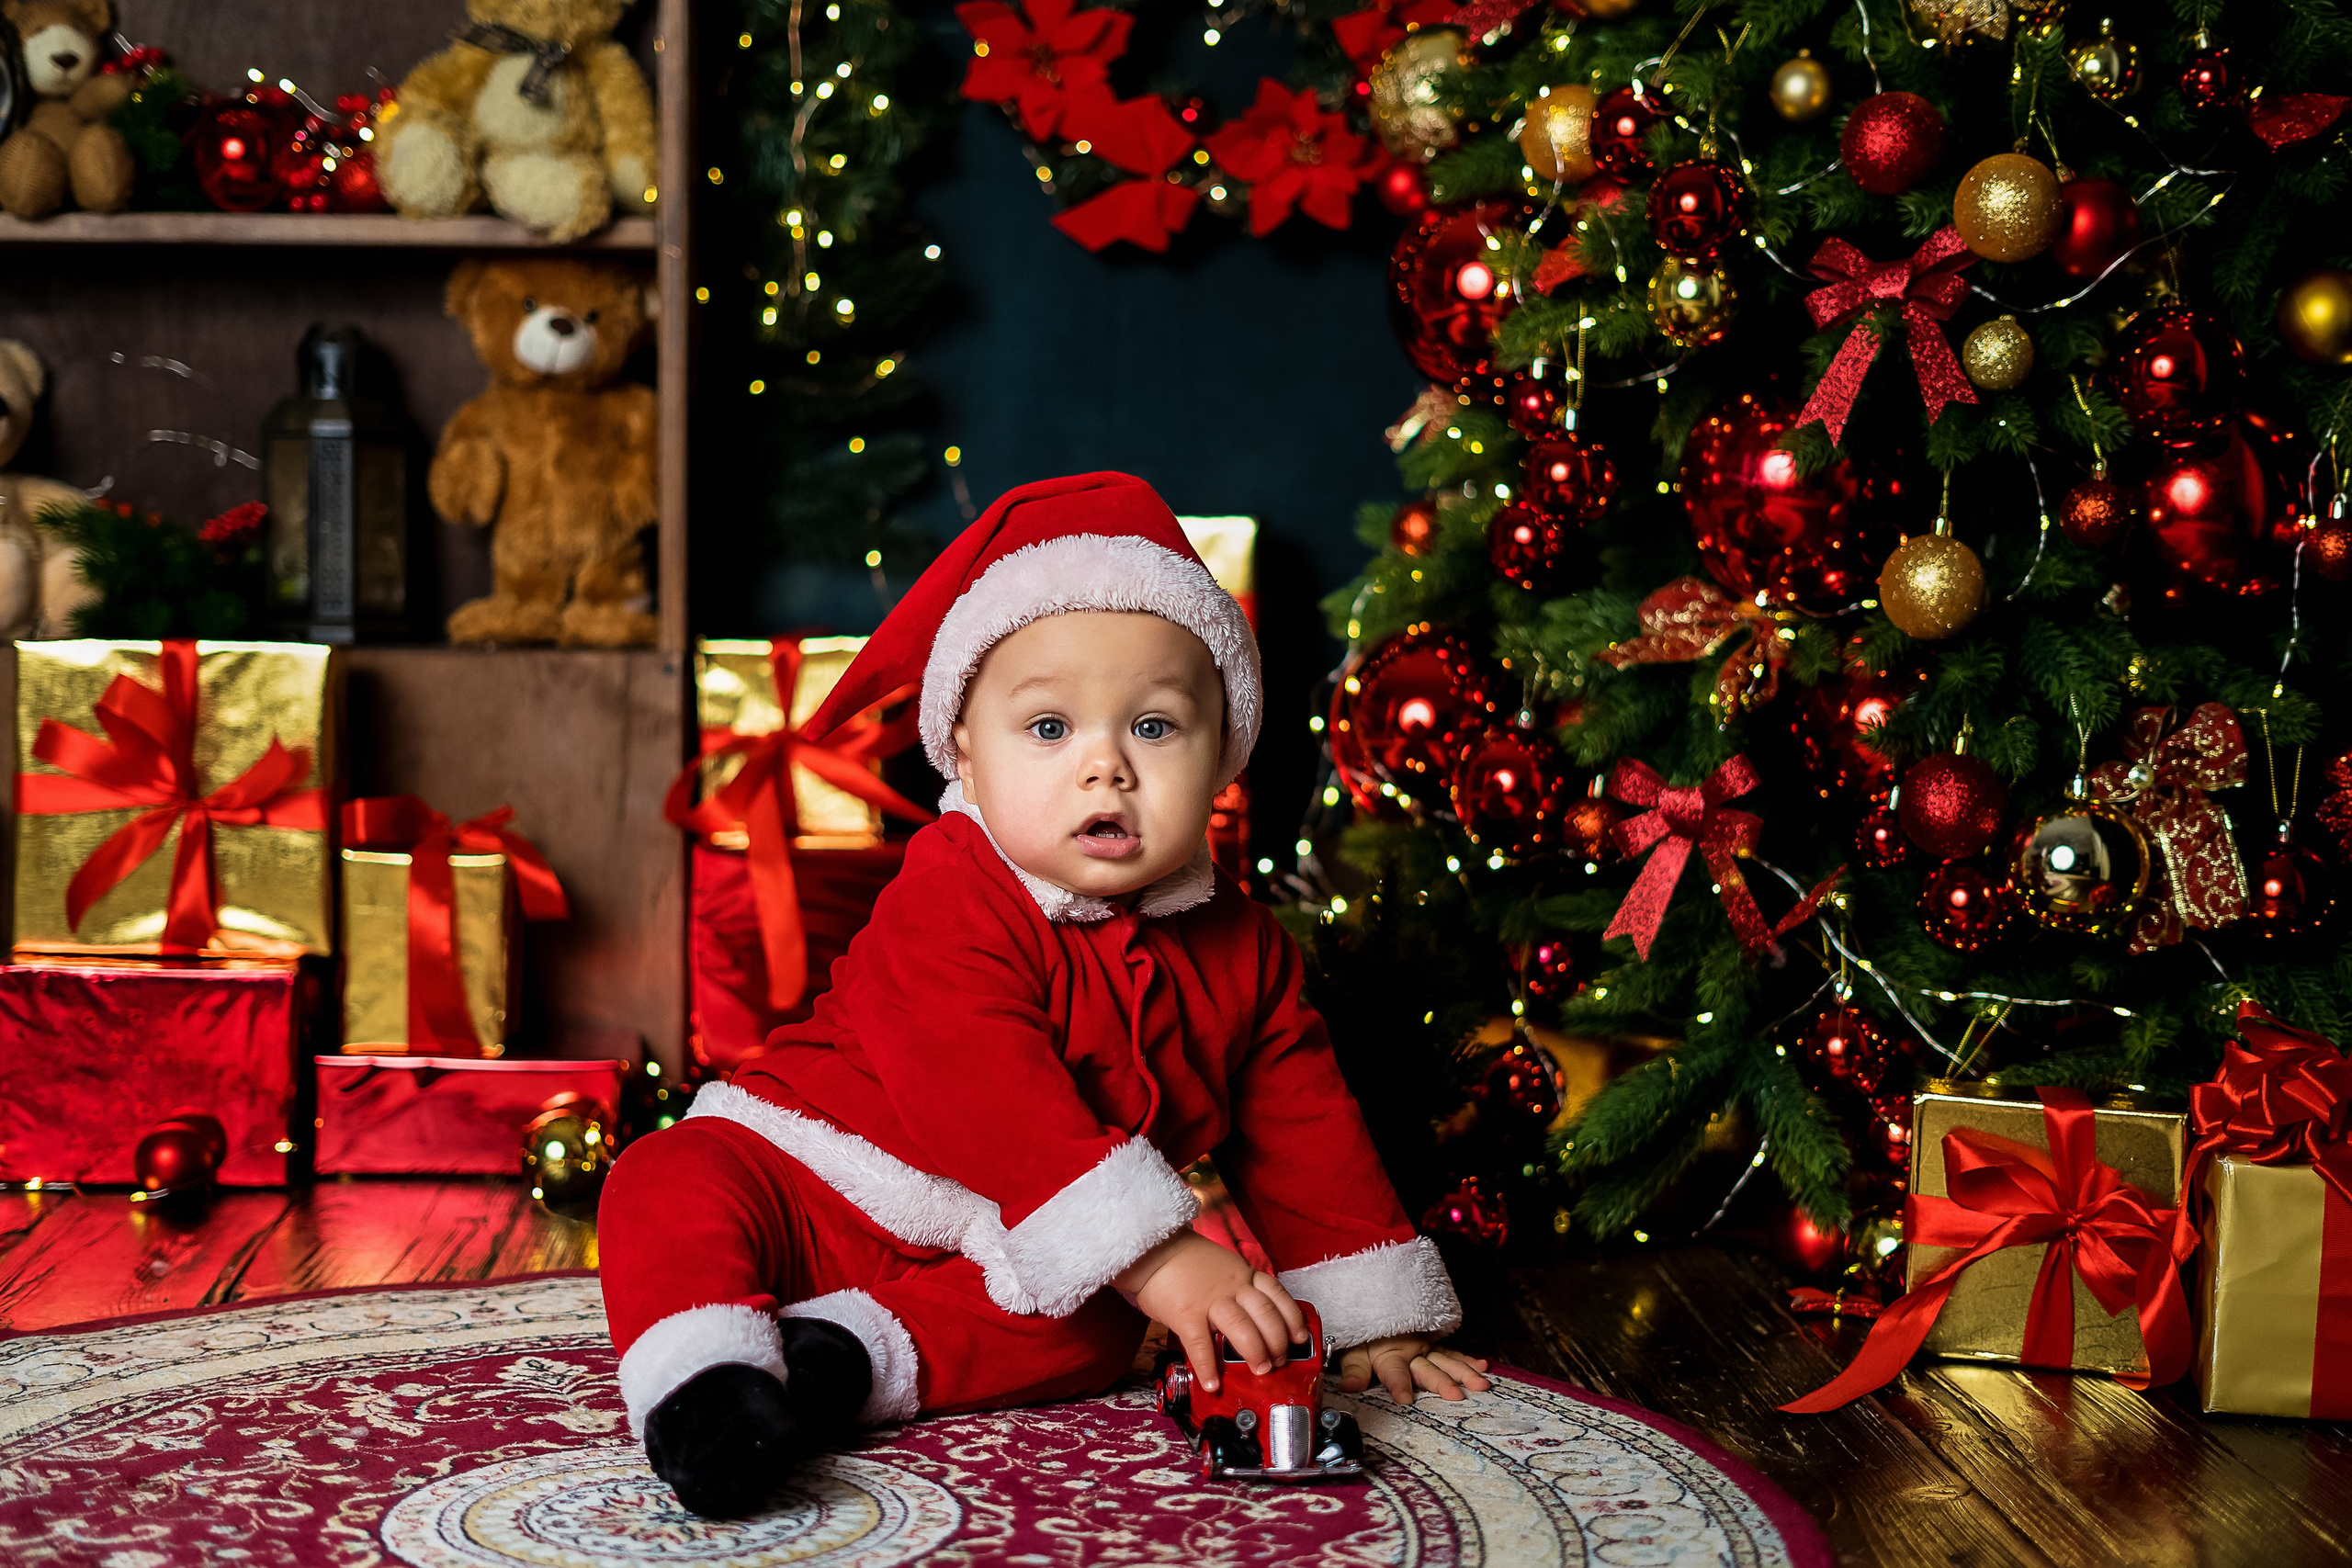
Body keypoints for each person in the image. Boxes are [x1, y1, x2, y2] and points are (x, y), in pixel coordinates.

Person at [598, 472, 1490, 1517]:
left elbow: (1302, 1126)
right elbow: (978, 1087)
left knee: (1095, 1328)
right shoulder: (950, 891)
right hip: (811, 1174)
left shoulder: (1241, 945)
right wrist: (1156, 1251)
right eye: (1050, 729)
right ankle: (706, 1384)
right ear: (966, 755)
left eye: (1154, 729)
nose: (1104, 768)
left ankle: (842, 1358)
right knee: (667, 1177)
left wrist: (1372, 1306)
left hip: (1005, 1250)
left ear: (1226, 758)